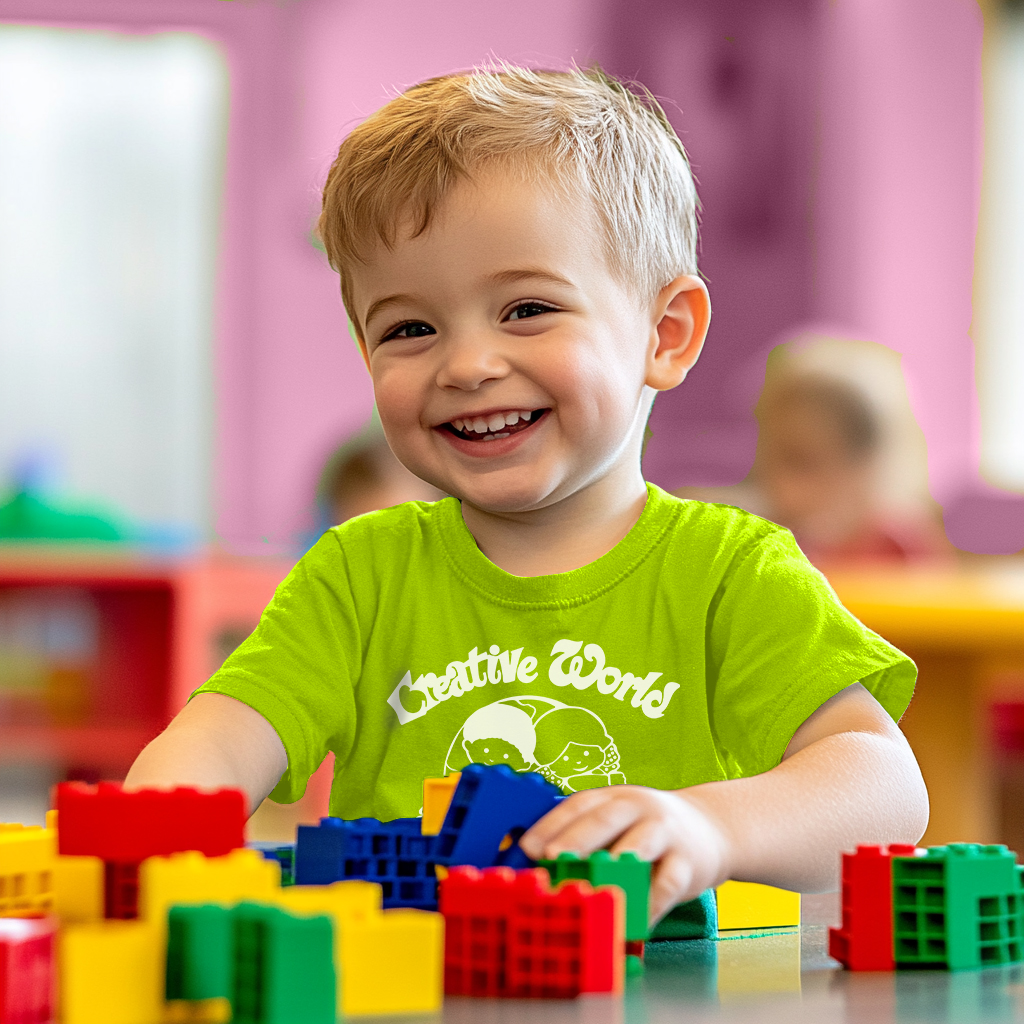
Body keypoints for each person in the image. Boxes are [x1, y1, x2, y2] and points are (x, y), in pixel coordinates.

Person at [125, 66, 928, 923]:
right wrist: (146, 829)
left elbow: (884, 786)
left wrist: (712, 826)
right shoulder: (357, 577)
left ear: (665, 334)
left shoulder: (732, 573)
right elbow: (220, 736)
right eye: (409, 329)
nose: (466, 364)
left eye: (527, 309)